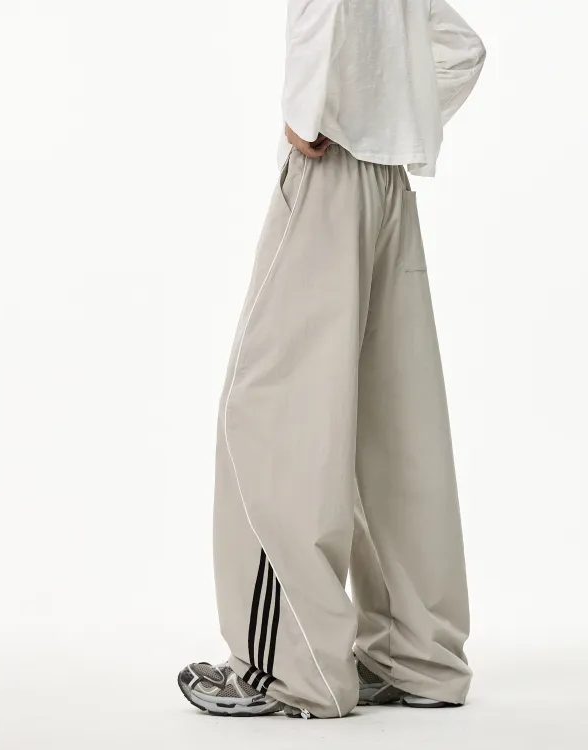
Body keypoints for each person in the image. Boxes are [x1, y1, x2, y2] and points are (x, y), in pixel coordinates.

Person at [177, 0, 486, 719]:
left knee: (271, 417)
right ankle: (420, 658)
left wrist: (308, 113)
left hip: (330, 176)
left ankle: (290, 667)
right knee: (393, 426)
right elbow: (461, 49)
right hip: (389, 186)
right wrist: (395, 116)